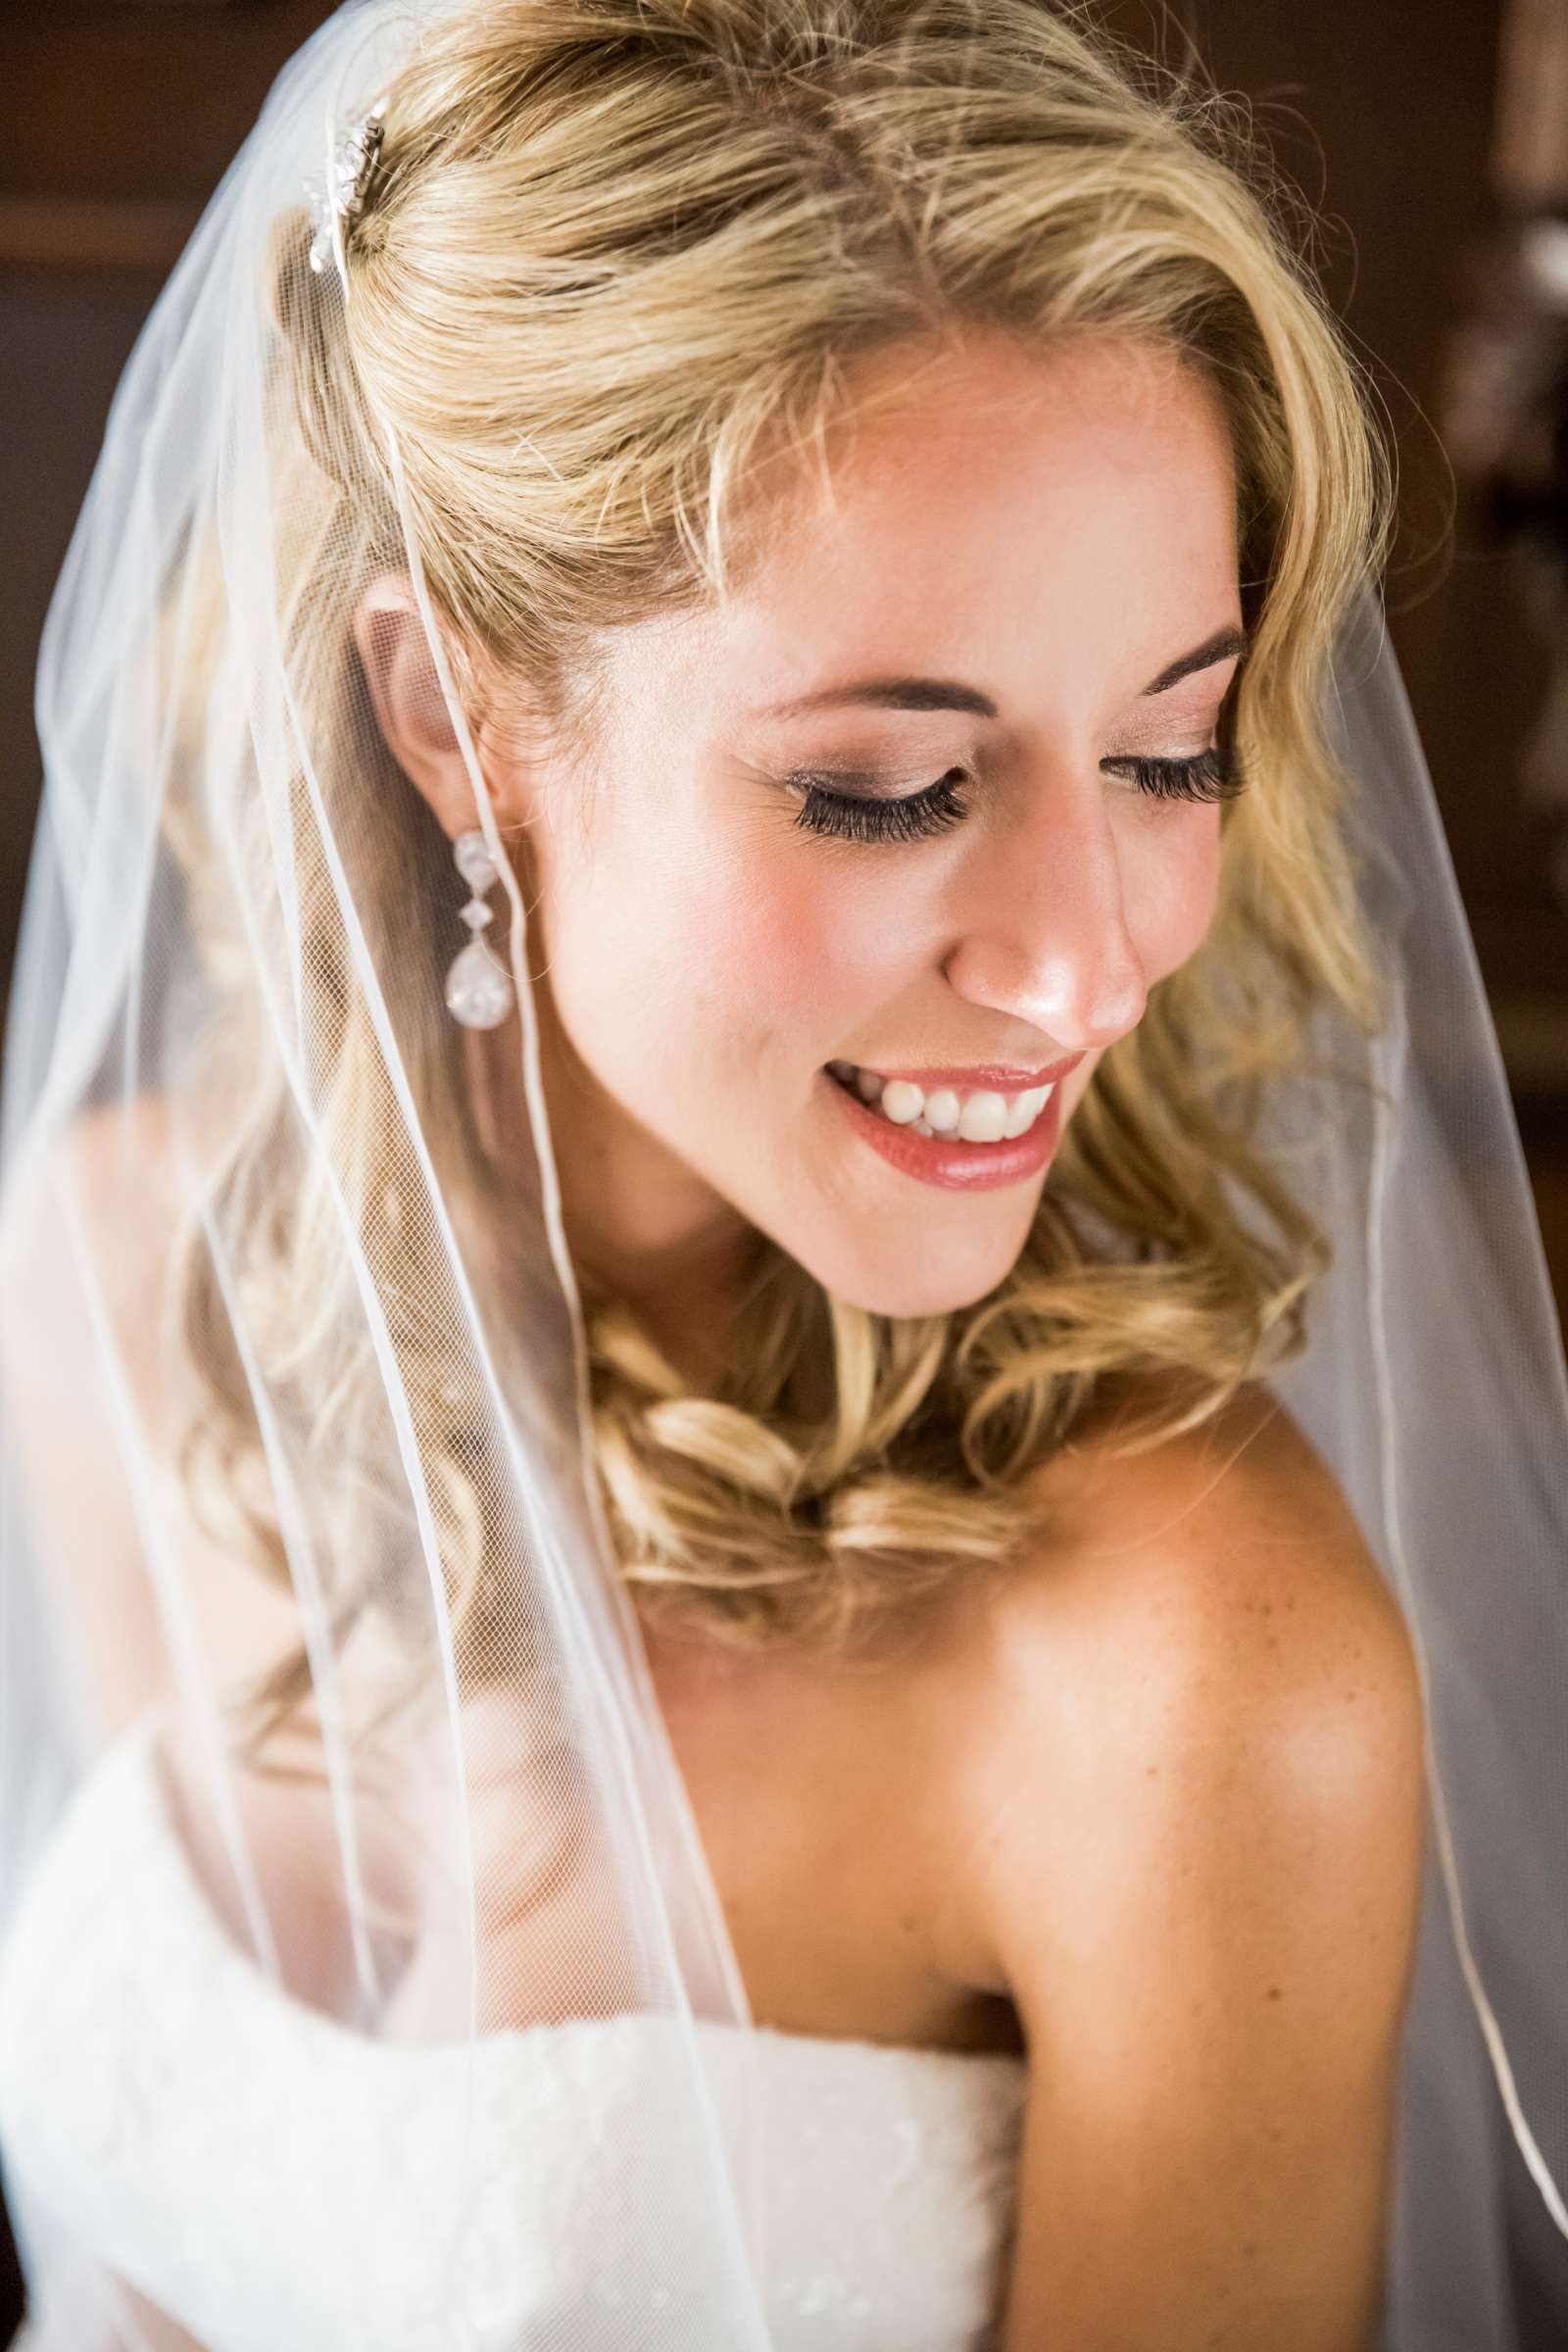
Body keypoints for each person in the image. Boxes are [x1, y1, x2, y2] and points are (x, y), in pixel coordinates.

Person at [0, 2, 1564, 2347]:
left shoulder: (1185, 1675)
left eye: (1166, 747)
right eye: (890, 786)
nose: (1085, 967)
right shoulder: (126, 1265)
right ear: (457, 717)